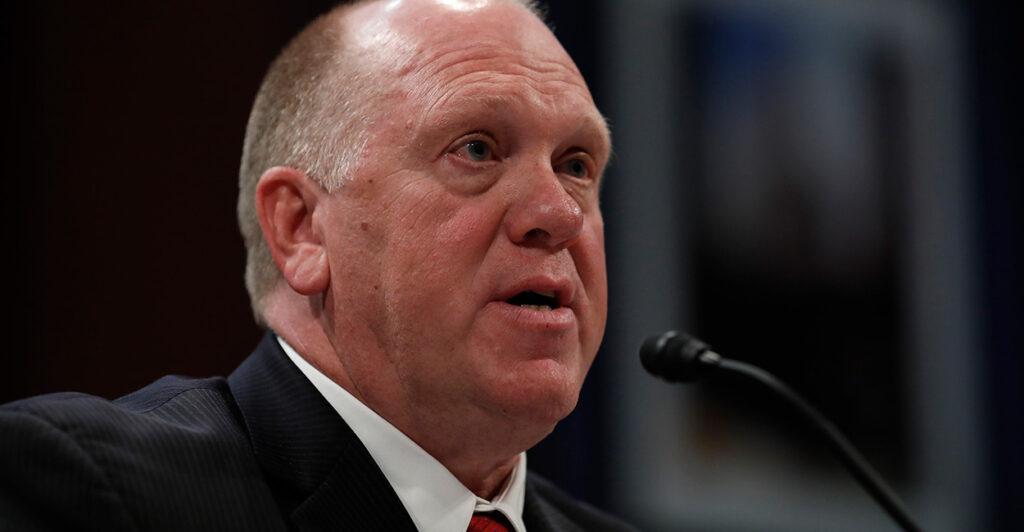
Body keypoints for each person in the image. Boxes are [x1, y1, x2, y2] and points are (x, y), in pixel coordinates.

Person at [0, 0, 631, 530]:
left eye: (576, 164)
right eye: (477, 149)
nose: (559, 212)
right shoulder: (91, 490)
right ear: (301, 228)